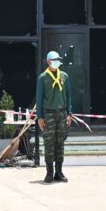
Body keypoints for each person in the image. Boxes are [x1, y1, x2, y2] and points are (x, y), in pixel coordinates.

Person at [35, 51, 73, 183]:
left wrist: (69, 113)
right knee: (49, 143)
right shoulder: (43, 77)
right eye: (54, 60)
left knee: (60, 143)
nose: (57, 62)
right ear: (48, 62)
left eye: (58, 60)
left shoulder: (64, 76)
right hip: (48, 114)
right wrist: (39, 117)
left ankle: (59, 172)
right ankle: (49, 172)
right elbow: (39, 99)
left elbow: (68, 96)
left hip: (62, 113)